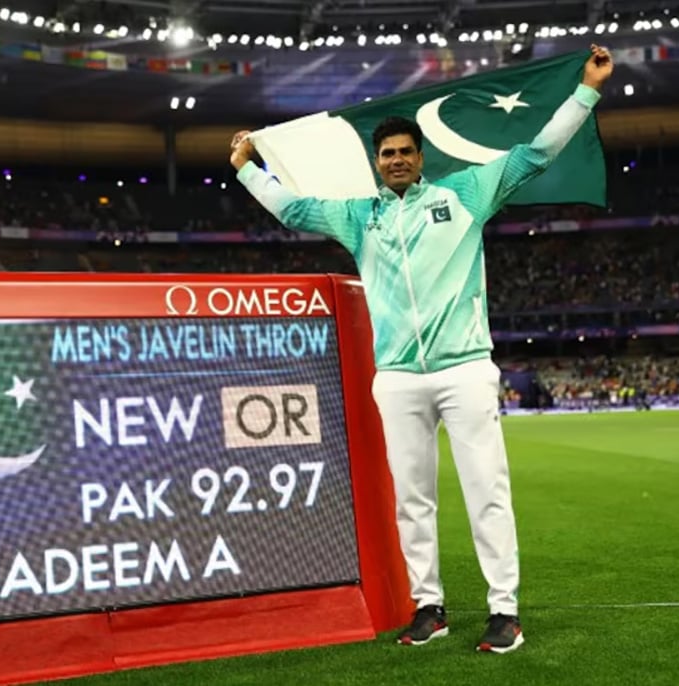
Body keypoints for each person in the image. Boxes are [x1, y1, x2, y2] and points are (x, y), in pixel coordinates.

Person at [229, 45, 614, 654]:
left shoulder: (466, 192)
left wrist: (587, 90)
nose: (398, 160)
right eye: (389, 154)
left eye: (407, 152)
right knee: (412, 501)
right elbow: (293, 209)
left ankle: (504, 612)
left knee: (486, 490)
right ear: (378, 163)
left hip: (463, 370)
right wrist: (247, 167)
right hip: (399, 378)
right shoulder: (359, 218)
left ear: (420, 157)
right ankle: (428, 608)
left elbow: (536, 153)